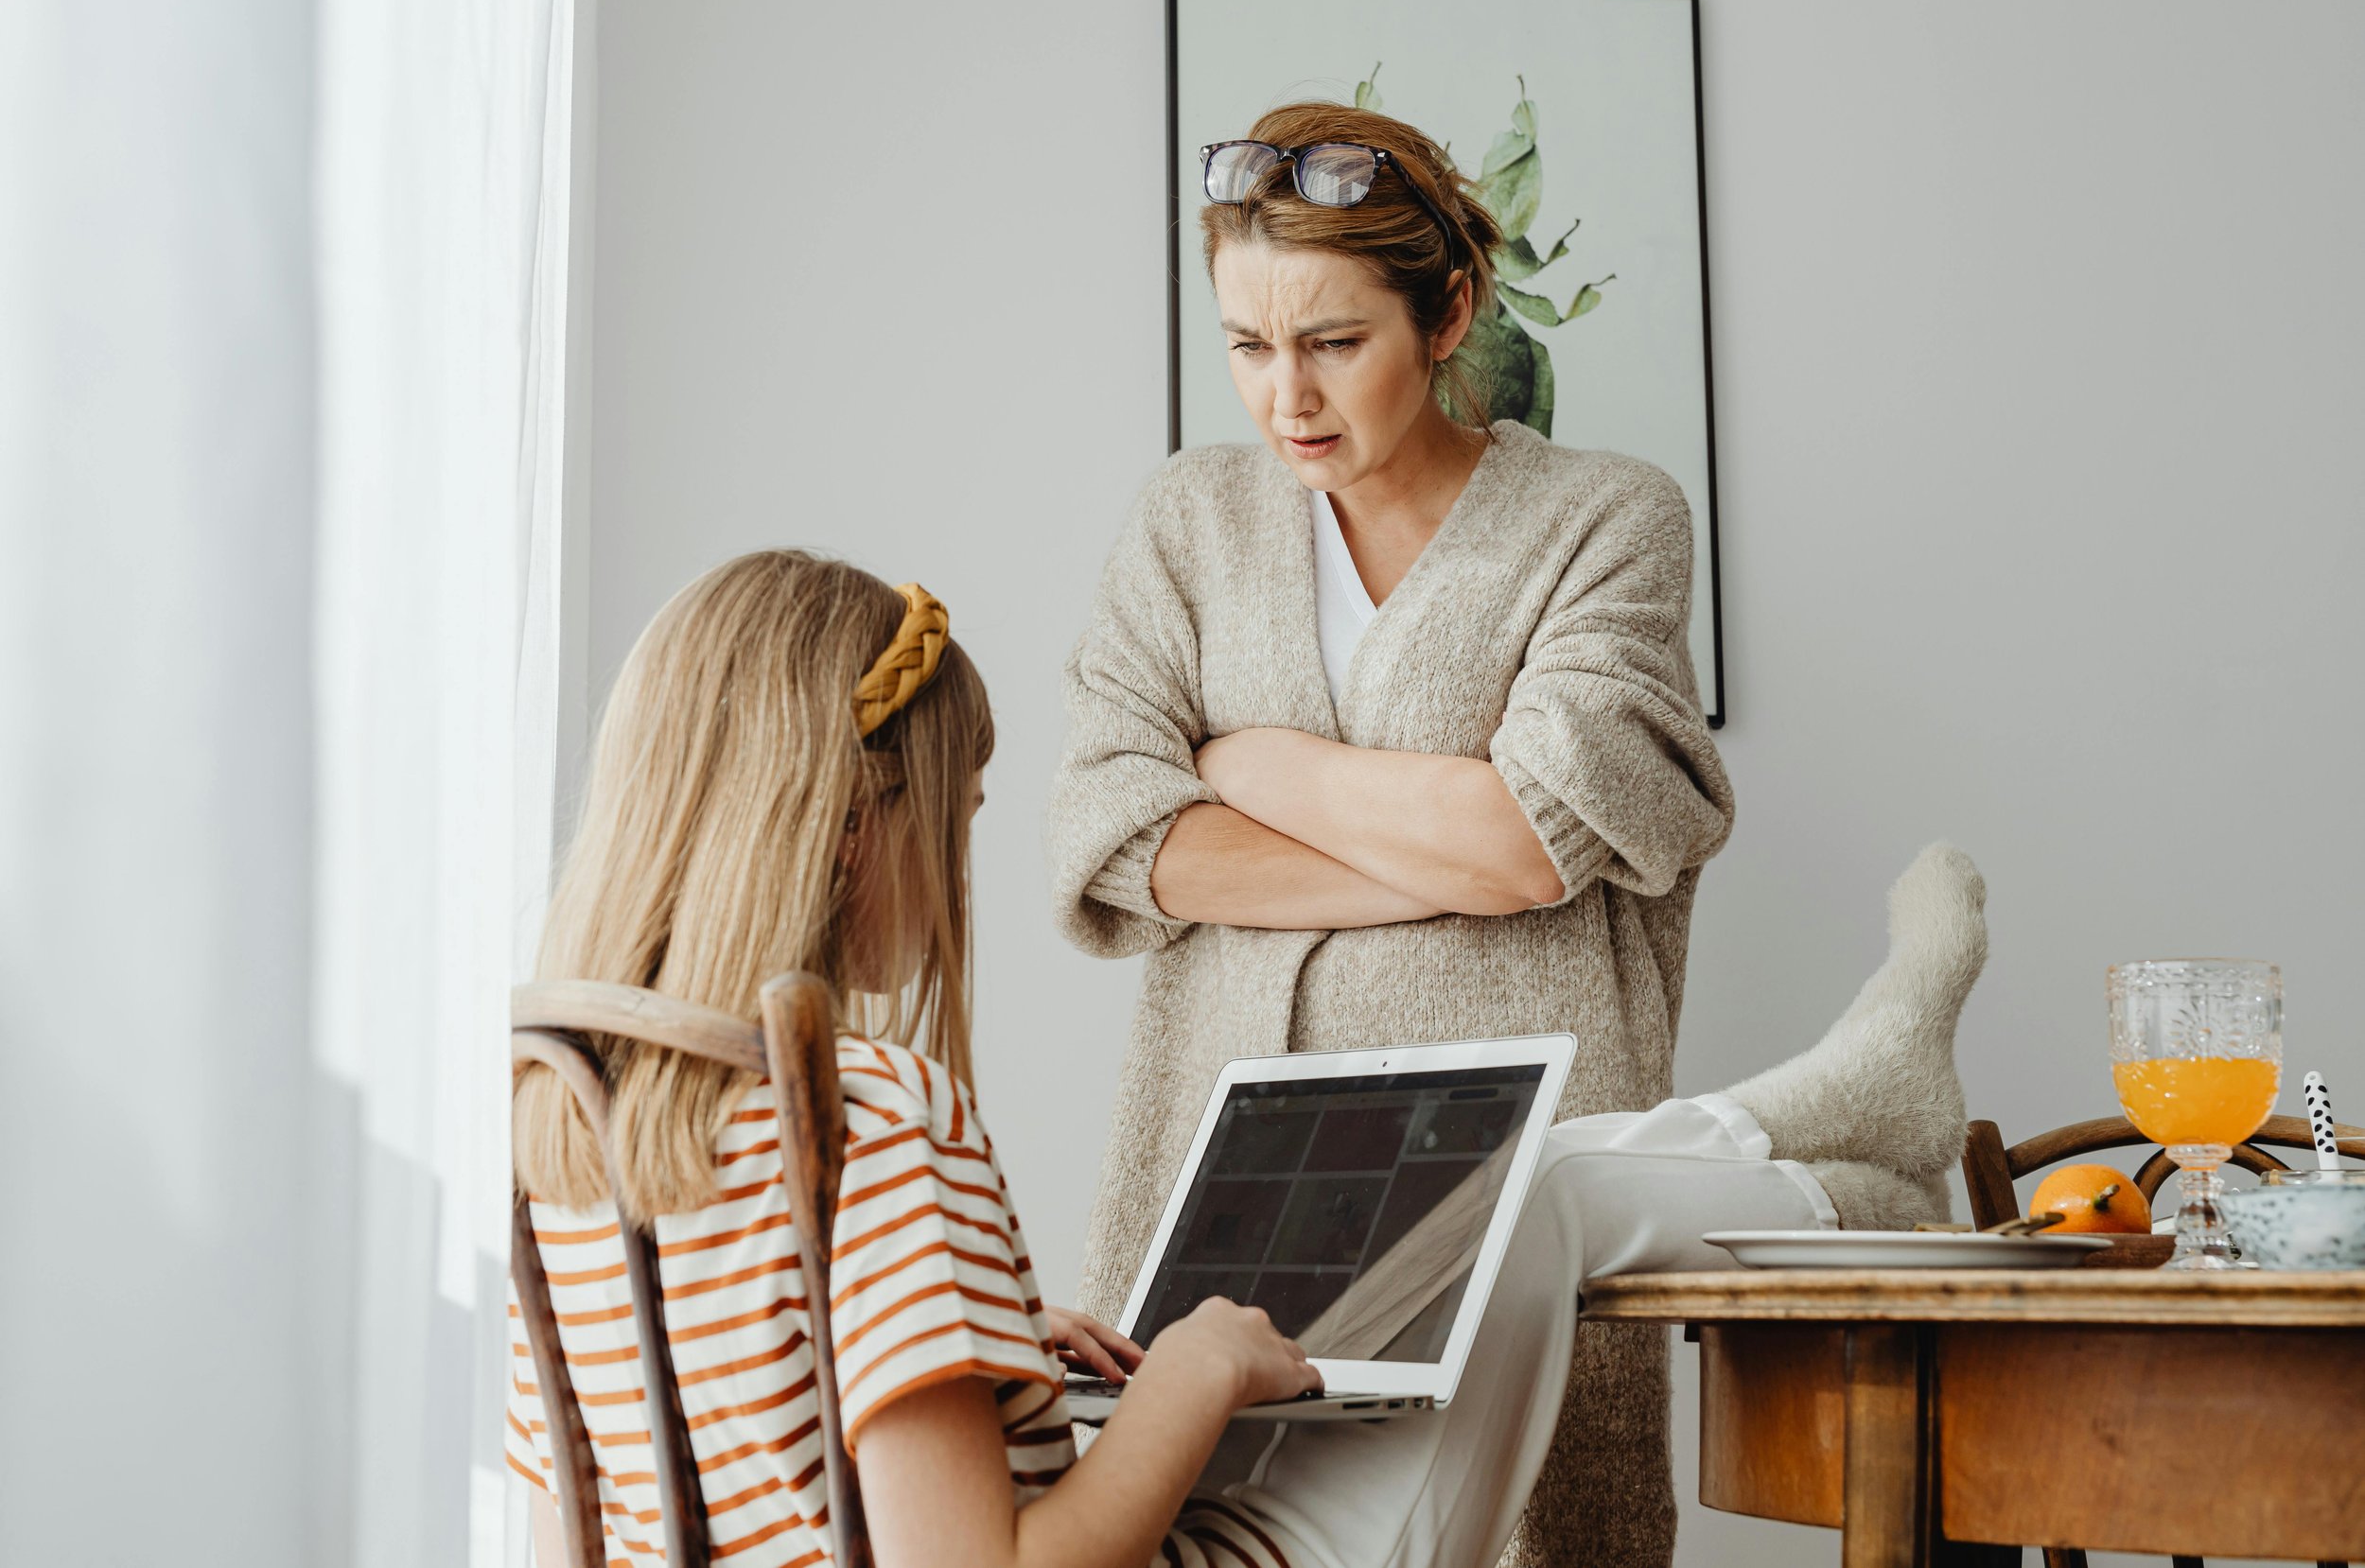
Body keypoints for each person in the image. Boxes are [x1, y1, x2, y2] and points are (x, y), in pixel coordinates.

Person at [506, 550, 1986, 1568]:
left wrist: (1000, 1361)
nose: (963, 858)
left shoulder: (562, 1120)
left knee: (1485, 1205)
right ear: (846, 828)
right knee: (1500, 1210)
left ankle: (1847, 1122)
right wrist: (1195, 1376)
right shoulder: (869, 1115)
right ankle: (1853, 1164)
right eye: (956, 813)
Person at [1044, 100, 1756, 1564]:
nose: (1283, 396)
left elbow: (1531, 839)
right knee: (1192, 1532)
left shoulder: (1606, 519)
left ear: (1450, 314)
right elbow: (1125, 838)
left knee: (1534, 1532)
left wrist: (1254, 762)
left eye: (1333, 342)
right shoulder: (1187, 524)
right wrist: (1446, 854)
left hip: (1506, 1177)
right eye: (1247, 344)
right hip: (1218, 1174)